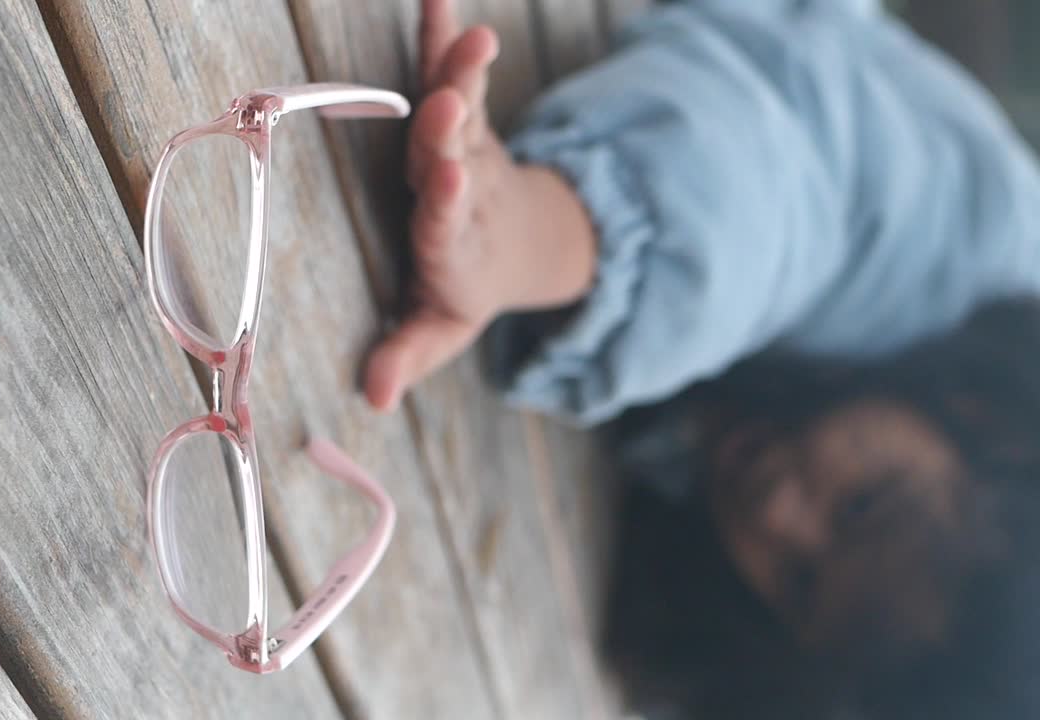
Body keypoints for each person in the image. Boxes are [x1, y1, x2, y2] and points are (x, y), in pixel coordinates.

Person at [363, 0, 1040, 716]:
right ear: (987, 421)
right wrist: (531, 235)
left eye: (800, 580)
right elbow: (784, 194)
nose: (778, 515)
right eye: (860, 506)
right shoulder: (967, 236)